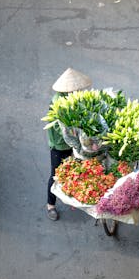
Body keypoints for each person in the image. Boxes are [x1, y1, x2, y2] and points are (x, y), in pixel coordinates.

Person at [46, 68, 92, 221]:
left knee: (75, 169)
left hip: (73, 143)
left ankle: (73, 194)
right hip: (59, 145)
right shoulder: (58, 103)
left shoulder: (73, 98)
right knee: (55, 174)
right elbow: (63, 129)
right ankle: (50, 205)